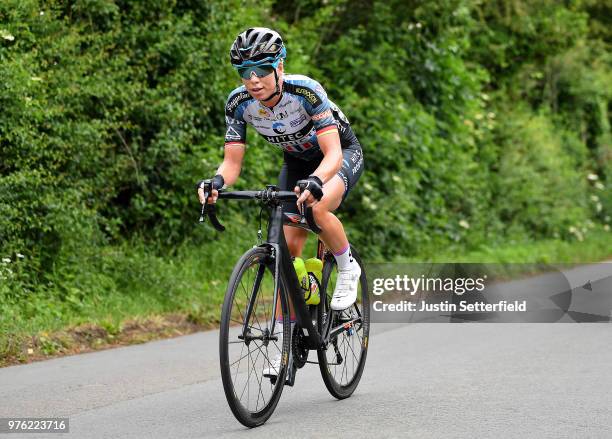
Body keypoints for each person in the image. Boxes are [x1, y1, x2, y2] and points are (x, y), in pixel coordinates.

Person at [197, 27, 364, 375]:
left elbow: (332, 151)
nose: (253, 80)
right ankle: (288, 339)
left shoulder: (305, 91)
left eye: (261, 69)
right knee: (285, 257)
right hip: (296, 163)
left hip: (338, 155)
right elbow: (232, 163)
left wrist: (318, 180)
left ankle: (347, 266)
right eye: (244, 72)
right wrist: (215, 182)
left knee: (315, 208)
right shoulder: (238, 103)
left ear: (280, 67)